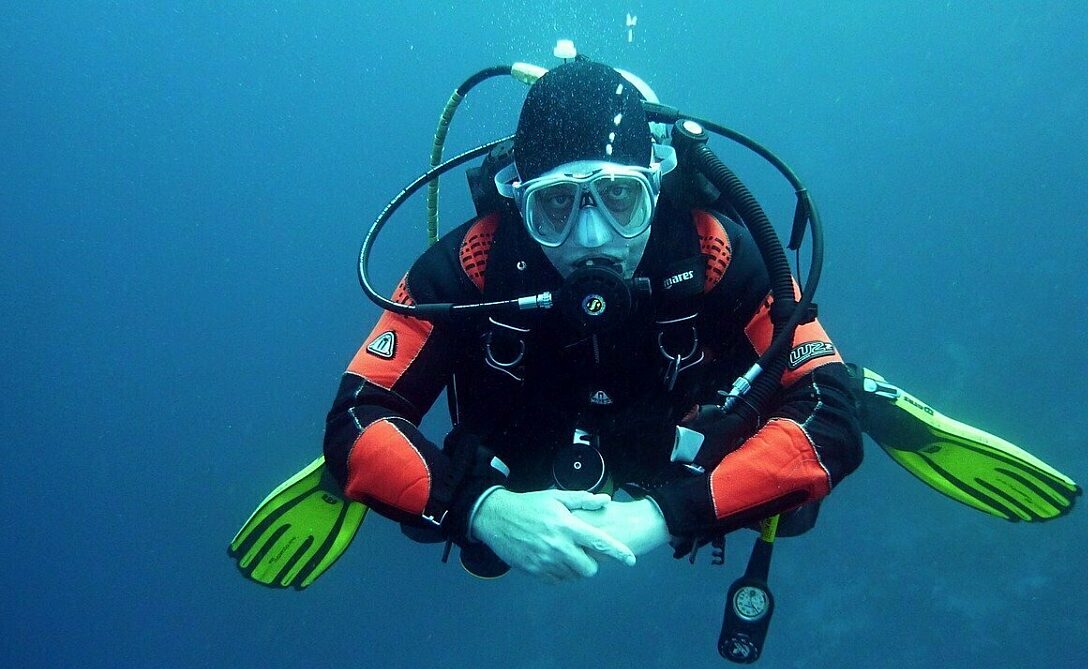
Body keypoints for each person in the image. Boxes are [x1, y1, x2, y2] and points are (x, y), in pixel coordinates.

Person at [322, 60, 864, 582]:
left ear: (655, 185)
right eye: (555, 206)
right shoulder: (474, 265)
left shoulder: (713, 250)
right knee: (438, 524)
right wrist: (480, 510)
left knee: (791, 509)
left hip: (679, 439)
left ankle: (867, 388)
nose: (592, 238)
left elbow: (830, 413)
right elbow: (355, 414)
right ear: (519, 201)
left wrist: (664, 515)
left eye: (619, 196)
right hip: (524, 451)